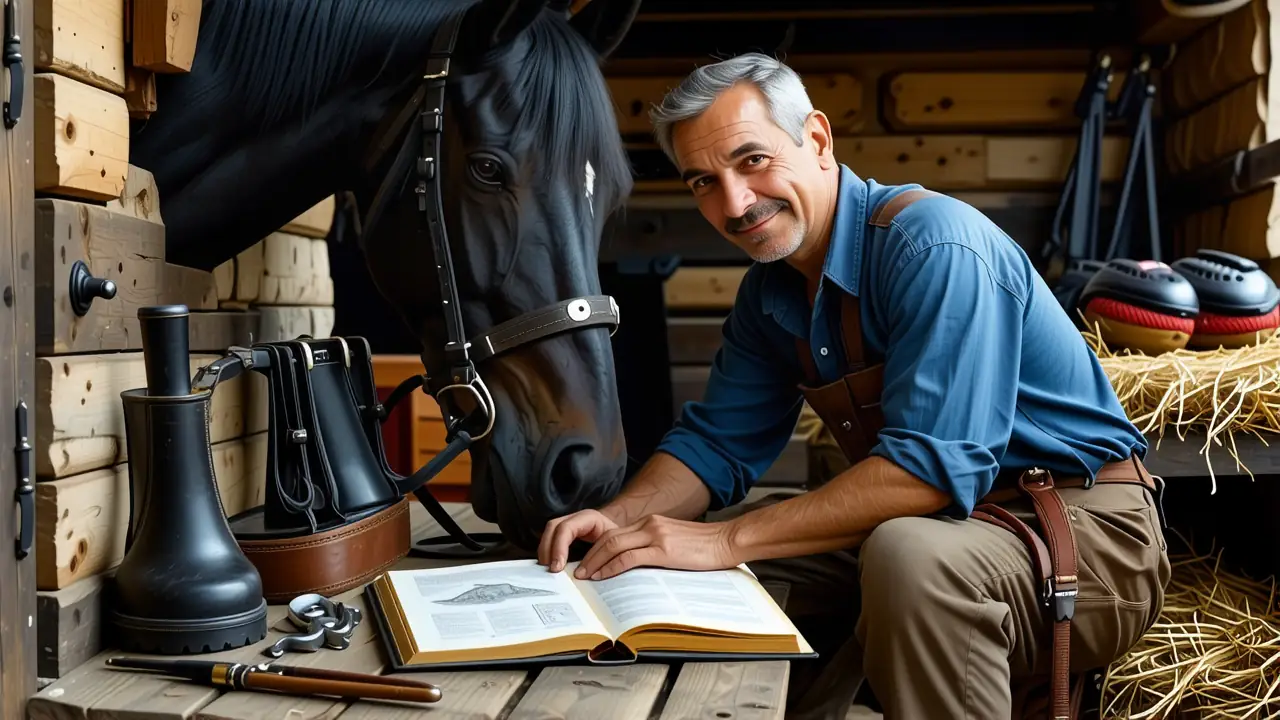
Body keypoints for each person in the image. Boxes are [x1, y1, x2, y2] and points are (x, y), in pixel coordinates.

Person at [536, 52, 1171, 719]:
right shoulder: (767, 294)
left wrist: (724, 541)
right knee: (671, 564)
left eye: (751, 161)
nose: (734, 204)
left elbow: (929, 471)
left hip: (1083, 536)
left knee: (901, 556)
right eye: (703, 181)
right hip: (939, 527)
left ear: (815, 139)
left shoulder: (934, 246)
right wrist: (619, 522)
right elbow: (716, 445)